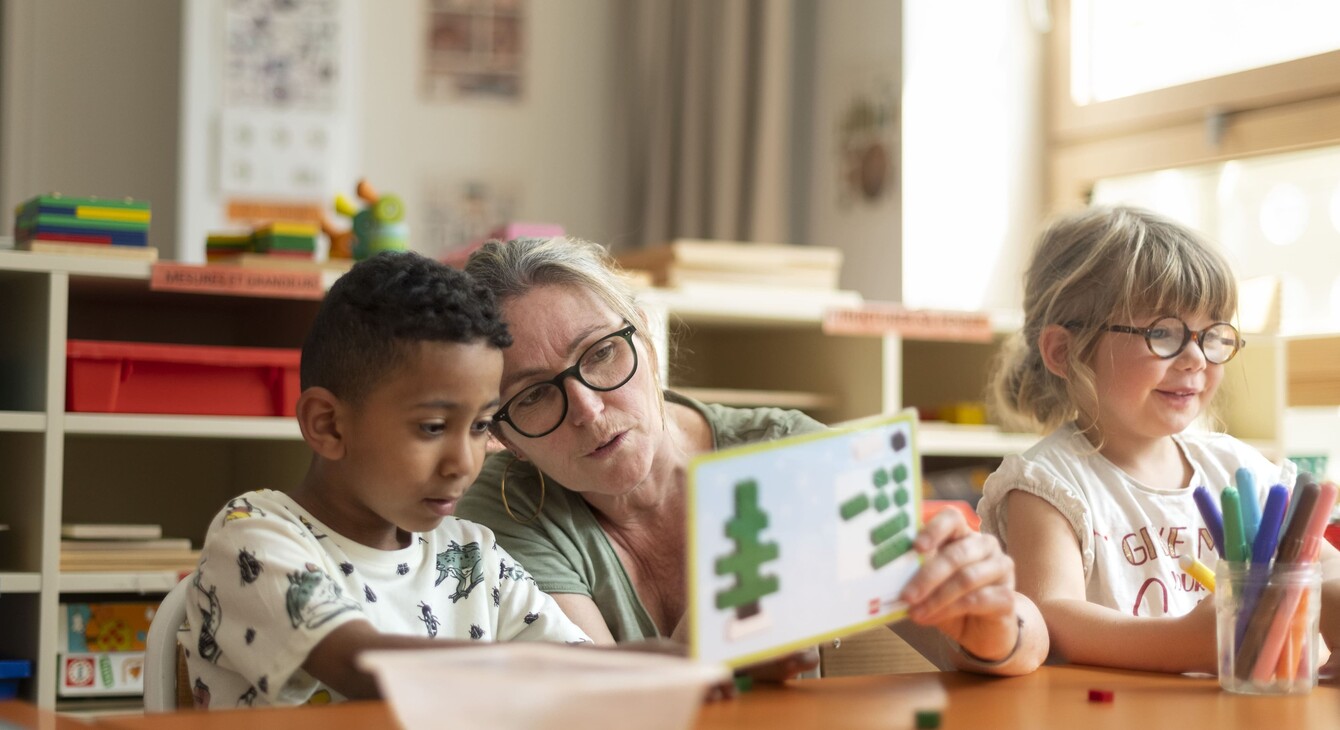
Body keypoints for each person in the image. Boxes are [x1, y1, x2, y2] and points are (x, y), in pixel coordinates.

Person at [455, 236, 1048, 676]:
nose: (585, 407)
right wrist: (706, 656)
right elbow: (602, 703)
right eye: (532, 396)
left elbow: (1014, 645)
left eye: (602, 353)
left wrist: (992, 625)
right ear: (503, 434)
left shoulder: (789, 452)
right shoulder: (504, 505)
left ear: (645, 335)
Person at [183, 252, 591, 709]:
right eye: (433, 427)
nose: (462, 463)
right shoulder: (252, 535)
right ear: (329, 426)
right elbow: (359, 666)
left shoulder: (472, 555)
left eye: (480, 426)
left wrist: (647, 660)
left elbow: (577, 665)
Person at [977, 205, 1340, 674]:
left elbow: (1318, 563)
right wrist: (1187, 643)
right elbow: (1051, 616)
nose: (1195, 358)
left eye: (1212, 335)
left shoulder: (1239, 468)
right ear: (1064, 351)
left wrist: (1330, 596)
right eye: (1162, 333)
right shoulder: (1048, 486)